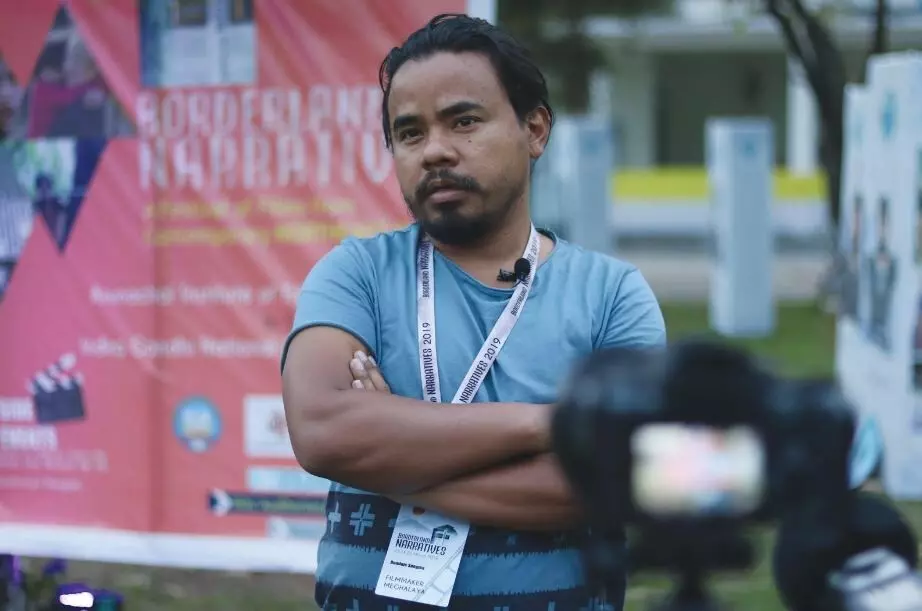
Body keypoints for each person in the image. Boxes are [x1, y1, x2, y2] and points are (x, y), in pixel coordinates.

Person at [281, 14, 666, 611]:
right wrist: (548, 426)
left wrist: (391, 453)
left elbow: (613, 479)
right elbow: (323, 433)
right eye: (409, 133)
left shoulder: (610, 294)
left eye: (464, 121)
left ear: (534, 130)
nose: (435, 150)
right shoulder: (356, 274)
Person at [866, 197, 896, 352]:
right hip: (879, 258)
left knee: (883, 295)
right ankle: (876, 327)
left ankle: (879, 327)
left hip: (883, 259)